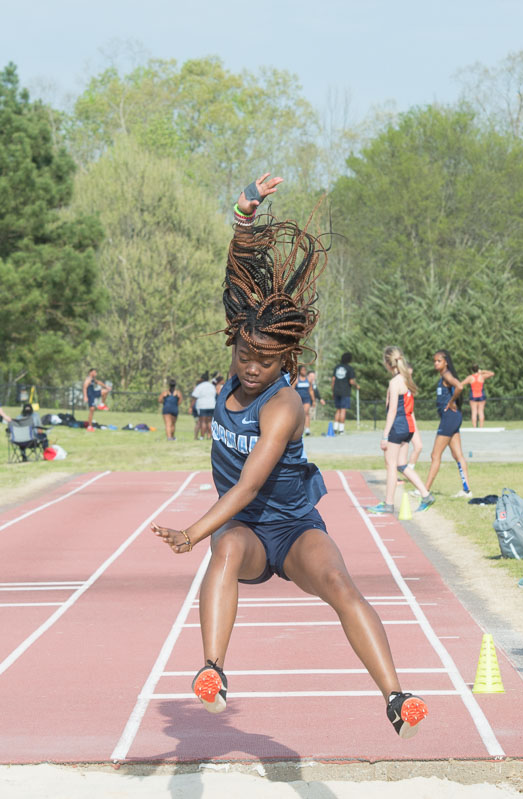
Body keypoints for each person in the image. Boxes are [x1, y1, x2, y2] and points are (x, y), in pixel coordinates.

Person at [151, 173, 427, 738]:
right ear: (236, 344)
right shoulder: (237, 364)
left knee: (341, 585)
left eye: (268, 360)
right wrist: (243, 218)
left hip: (294, 525)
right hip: (247, 533)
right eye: (247, 355)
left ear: (287, 362)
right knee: (225, 549)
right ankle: (213, 670)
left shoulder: (282, 407)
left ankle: (396, 697)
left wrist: (191, 531)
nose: (254, 367)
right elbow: (238, 281)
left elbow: (248, 485)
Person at [366, 347, 433, 515]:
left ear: (388, 364)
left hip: (398, 426)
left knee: (391, 465)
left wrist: (385, 435)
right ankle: (426, 494)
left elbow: (393, 410)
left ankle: (388, 503)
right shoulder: (406, 379)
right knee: (402, 464)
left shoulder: (395, 382)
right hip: (408, 427)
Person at [424, 350, 472, 500]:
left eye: (439, 361)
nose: (435, 363)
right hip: (453, 418)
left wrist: (451, 402)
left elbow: (460, 386)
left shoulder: (446, 375)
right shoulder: (443, 376)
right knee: (458, 455)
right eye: (434, 361)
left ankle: (424, 490)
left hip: (450, 418)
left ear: (446, 362)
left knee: (435, 455)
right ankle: (466, 490)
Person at [330, 353, 356, 435]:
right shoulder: (349, 368)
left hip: (336, 391)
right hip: (345, 391)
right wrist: (357, 386)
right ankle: (341, 430)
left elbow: (333, 380)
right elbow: (351, 381)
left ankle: (335, 428)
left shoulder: (337, 367)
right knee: (343, 410)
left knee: (338, 410)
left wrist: (333, 391)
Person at [191, 372, 217, 440]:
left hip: (202, 406)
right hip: (212, 405)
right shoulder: (212, 386)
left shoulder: (200, 386)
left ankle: (202, 436)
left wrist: (191, 407)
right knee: (210, 421)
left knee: (203, 421)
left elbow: (194, 397)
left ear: (202, 379)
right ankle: (209, 436)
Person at [294, 365, 314, 436]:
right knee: (299, 415)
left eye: (305, 370)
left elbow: (311, 390)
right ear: (299, 371)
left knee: (306, 413)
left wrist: (313, 400)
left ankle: (307, 429)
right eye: (302, 370)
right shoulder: (296, 380)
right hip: (298, 399)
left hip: (306, 399)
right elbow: (292, 390)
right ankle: (299, 430)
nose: (304, 371)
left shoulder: (308, 379)